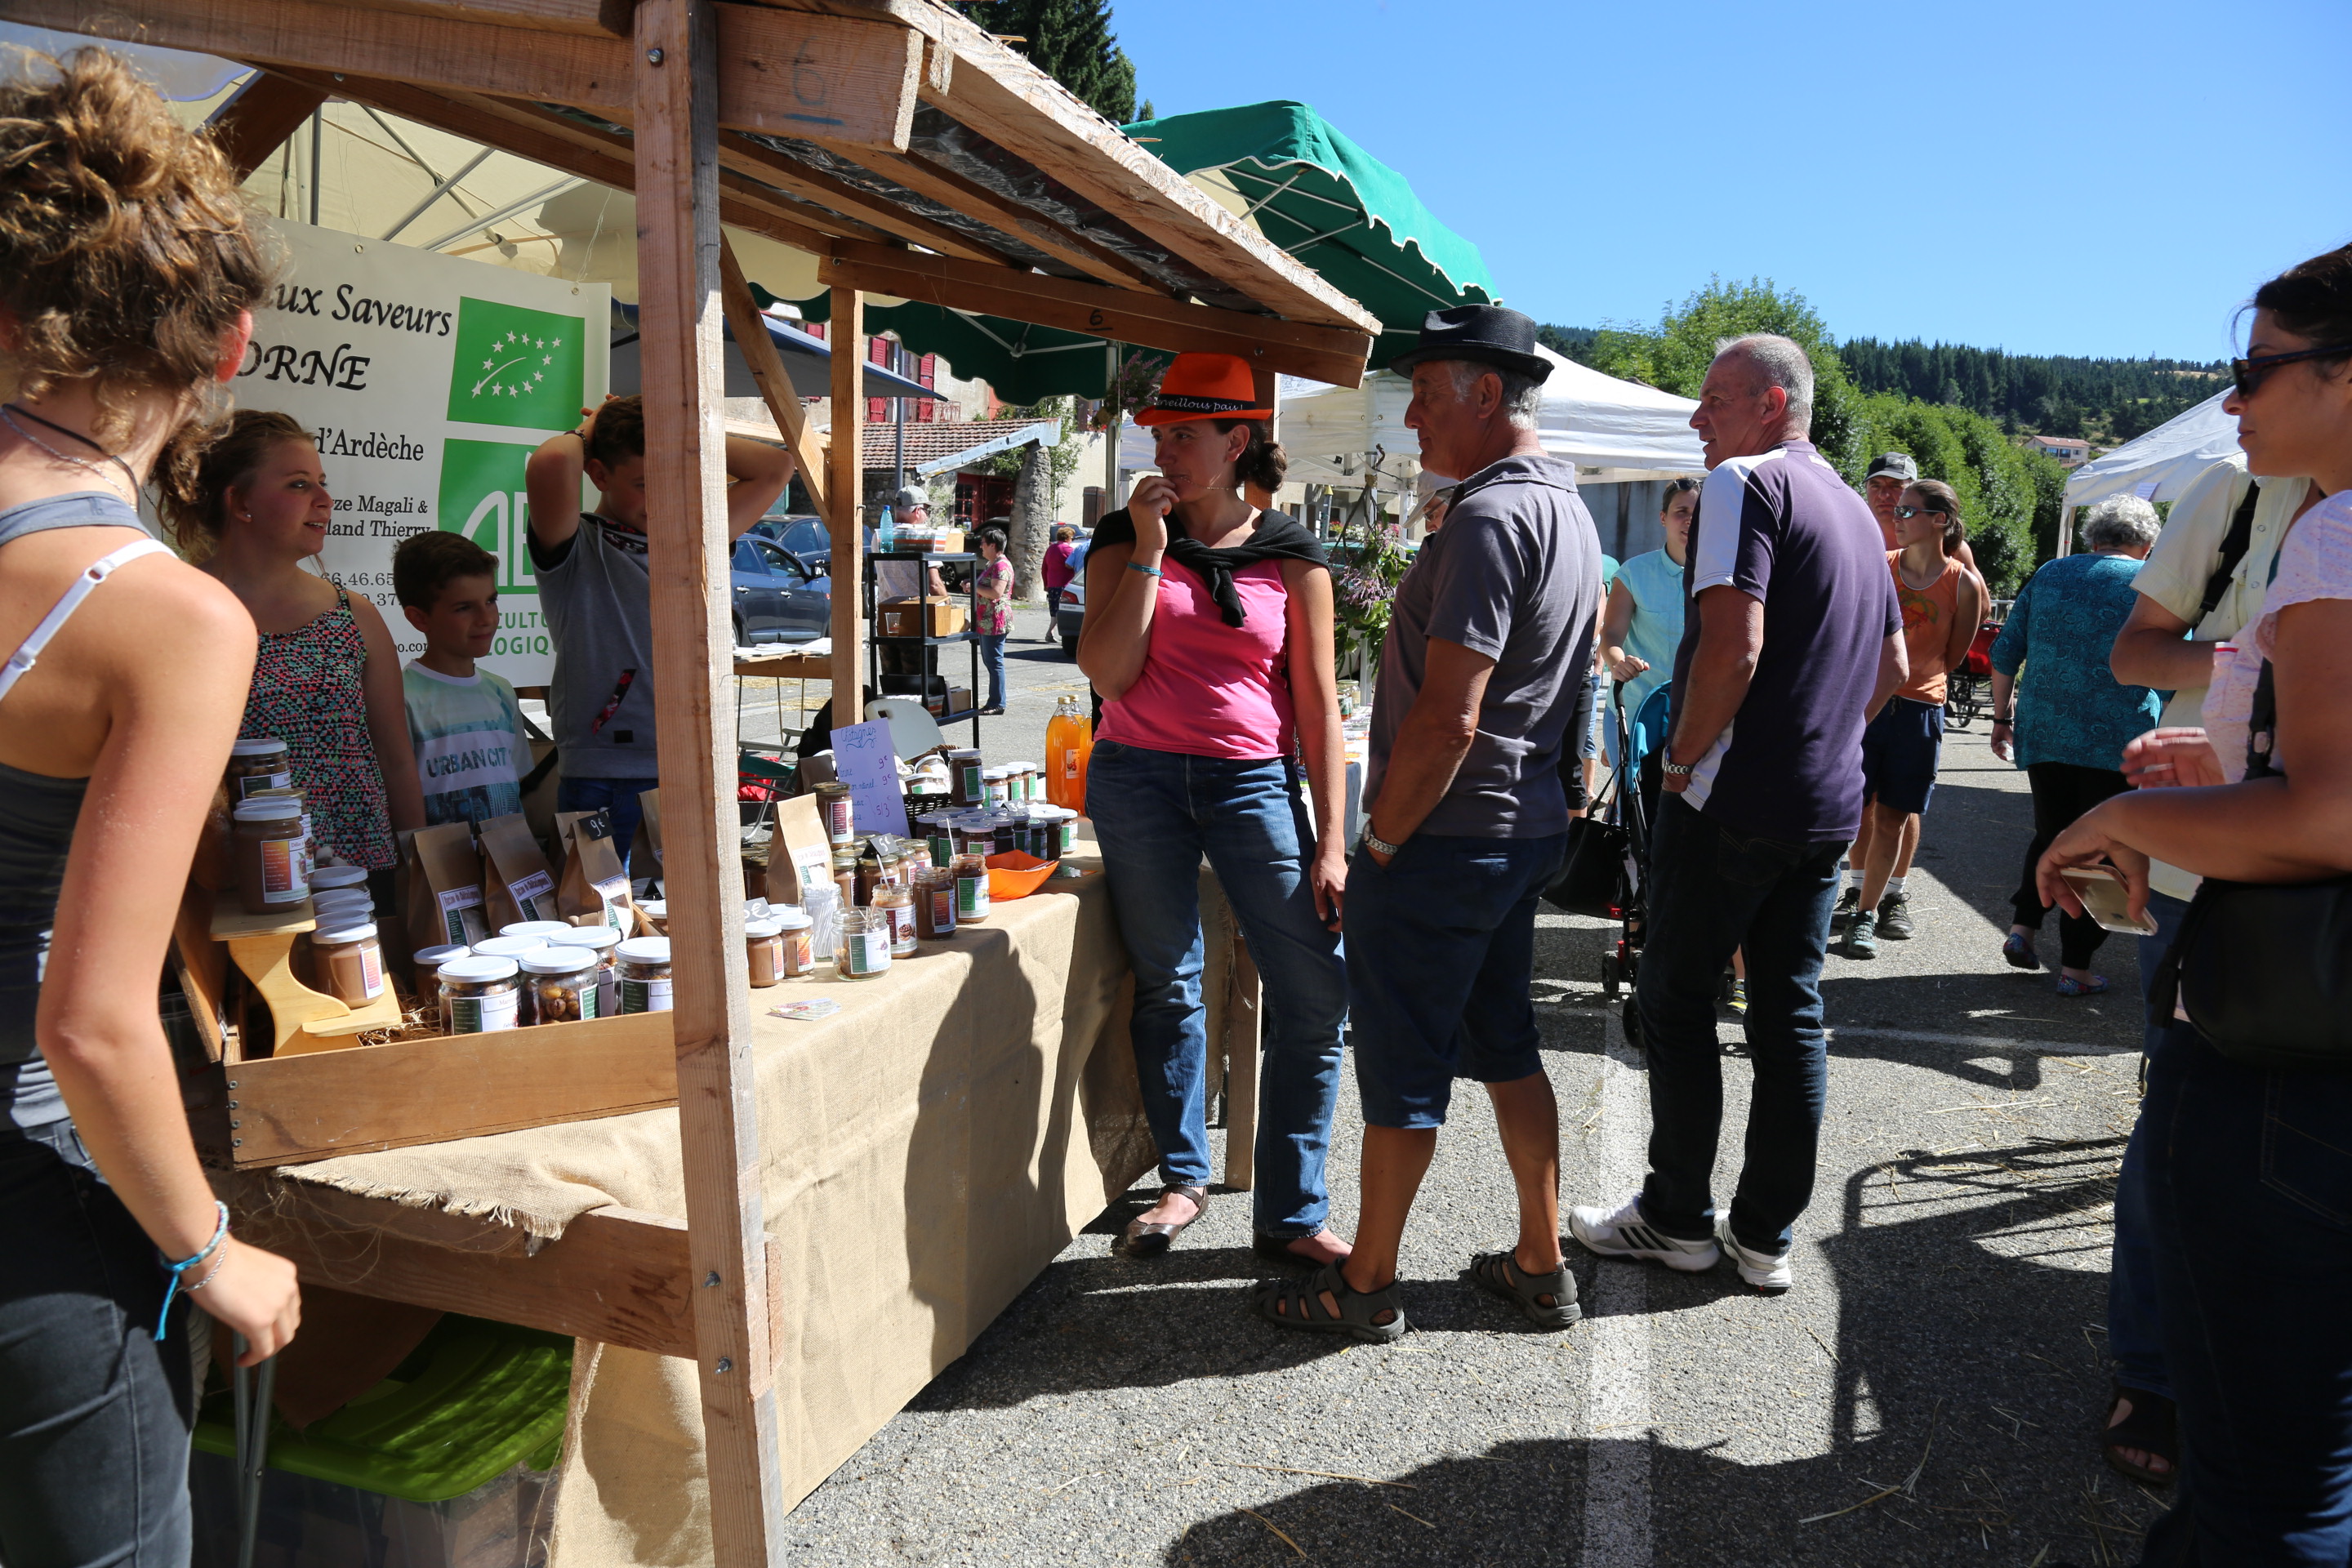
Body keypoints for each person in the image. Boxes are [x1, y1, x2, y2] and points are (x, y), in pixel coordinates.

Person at [0, 47, 301, 1565]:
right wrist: (209, 1249)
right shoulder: (163, 613)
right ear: (230, 340)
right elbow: (93, 1022)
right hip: (31, 1209)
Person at [2036, 241, 2352, 1564]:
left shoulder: (2335, 529)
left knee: (2266, 1500)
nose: (2232, 399)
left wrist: (2125, 818)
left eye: (2257, 368)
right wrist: (2229, 772)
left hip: (2294, 1054)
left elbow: (2330, 818)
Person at [1252, 305, 1597, 1340]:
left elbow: (1451, 718)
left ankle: (1364, 1284)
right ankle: (1541, 1263)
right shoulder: (1563, 509)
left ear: (1487, 394)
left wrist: (1381, 842)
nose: (1412, 422)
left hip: (1448, 836)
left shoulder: (1492, 519)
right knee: (1507, 1045)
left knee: (1403, 1069)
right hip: (1514, 829)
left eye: (1427, 397)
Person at [1569, 335, 1904, 1295]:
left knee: (1675, 999)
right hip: (1823, 802)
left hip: (1731, 794)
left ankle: (1678, 1217)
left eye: (1713, 398)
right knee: (1788, 1011)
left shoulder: (1743, 483)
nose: (1696, 417)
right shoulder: (1854, 508)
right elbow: (1889, 666)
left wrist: (1681, 760)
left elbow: (1733, 647)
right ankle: (1765, 1235)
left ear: (1770, 403)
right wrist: (1821, 739)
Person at [1076, 351, 1349, 1268]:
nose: (1166, 452)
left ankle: (1293, 1211)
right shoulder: (1123, 537)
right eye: (1160, 436)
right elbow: (1109, 675)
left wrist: (1333, 841)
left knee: (1314, 992)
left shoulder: (1293, 552)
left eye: (1185, 436)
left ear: (1237, 443)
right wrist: (1150, 556)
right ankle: (1183, 1181)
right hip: (1137, 779)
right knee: (1170, 983)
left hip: (1252, 782)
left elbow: (1319, 706)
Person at [2096, 454, 2320, 1487]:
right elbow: (2133, 654)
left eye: (2253, 378)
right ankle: (2155, 1370)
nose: (2235, 402)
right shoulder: (2234, 495)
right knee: (2184, 1125)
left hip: (2311, 864)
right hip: (2208, 871)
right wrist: (2251, 659)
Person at [526, 395, 791, 867]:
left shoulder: (693, 536)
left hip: (692, 765)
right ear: (598, 474)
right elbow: (551, 463)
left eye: (674, 481)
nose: (662, 498)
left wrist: (677, 426)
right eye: (645, 484)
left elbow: (775, 468)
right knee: (595, 907)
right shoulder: (579, 545)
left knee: (686, 910)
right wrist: (595, 426)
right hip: (604, 774)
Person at [169, 412, 423, 884]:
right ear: (240, 501)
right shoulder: (175, 612)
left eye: (322, 483)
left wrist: (418, 868)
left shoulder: (354, 614)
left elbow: (396, 759)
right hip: (234, 884)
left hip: (359, 881)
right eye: (299, 484)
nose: (325, 500)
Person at [1987, 495, 2161, 994]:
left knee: (2052, 831)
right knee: (2101, 850)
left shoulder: (2051, 573)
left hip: (2046, 730)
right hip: (2119, 738)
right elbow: (2170, 664)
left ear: (2093, 537)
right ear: (2148, 544)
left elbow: (2004, 653)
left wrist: (2001, 718)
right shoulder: (2151, 583)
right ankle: (2075, 969)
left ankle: (2022, 928)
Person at [1838, 479, 1986, 958]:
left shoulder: (1964, 584)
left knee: (1893, 818)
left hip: (1921, 712)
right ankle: (1839, 896)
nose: (1896, 518)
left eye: (1907, 511)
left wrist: (1915, 681)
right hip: (1867, 705)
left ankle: (1867, 914)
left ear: (1939, 520)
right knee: (1846, 811)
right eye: (1897, 510)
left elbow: (1953, 656)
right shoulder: (1879, 566)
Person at [393, 531, 532, 827]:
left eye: (491, 601)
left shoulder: (501, 691)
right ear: (419, 618)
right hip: (436, 855)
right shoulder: (401, 699)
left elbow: (514, 778)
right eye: (464, 608)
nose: (486, 618)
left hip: (507, 853)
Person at [972, 526, 1013, 714]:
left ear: (992, 545)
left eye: (983, 543)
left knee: (994, 662)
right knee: (991, 661)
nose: (981, 546)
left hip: (995, 619)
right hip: (987, 619)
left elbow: (996, 592)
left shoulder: (1001, 565)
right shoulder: (993, 564)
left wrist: (974, 587)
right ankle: (995, 701)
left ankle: (997, 703)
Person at [1040, 523, 1079, 640]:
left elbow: (1044, 567)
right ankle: (1050, 633)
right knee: (1061, 609)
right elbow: (1075, 565)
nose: (1072, 540)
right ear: (1067, 538)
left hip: (1052, 583)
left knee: (1054, 610)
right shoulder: (1068, 549)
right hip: (1064, 584)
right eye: (1071, 538)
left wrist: (1046, 583)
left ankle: (1050, 632)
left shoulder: (1051, 548)